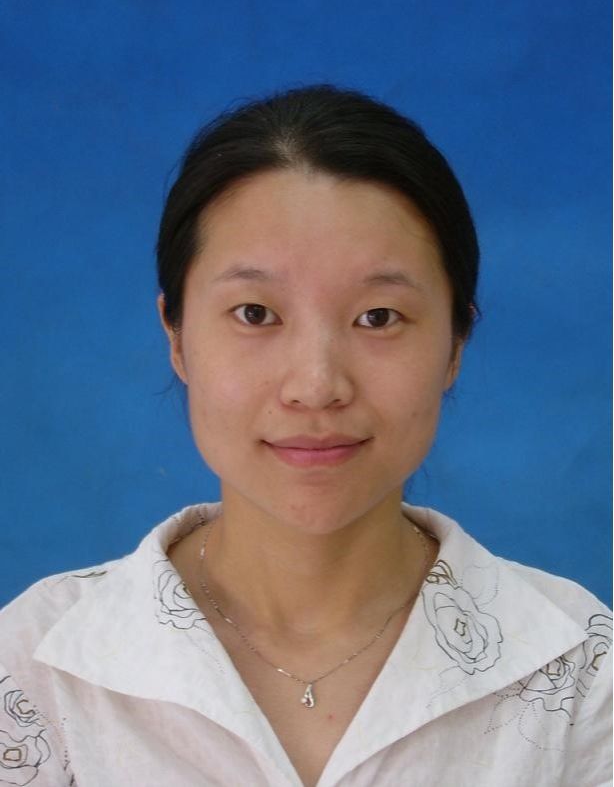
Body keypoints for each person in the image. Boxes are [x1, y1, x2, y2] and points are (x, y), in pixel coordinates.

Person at [0, 85, 610, 787]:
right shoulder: (34, 669)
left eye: (378, 317)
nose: (316, 385)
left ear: (455, 344)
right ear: (176, 335)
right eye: (255, 313)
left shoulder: (582, 673)